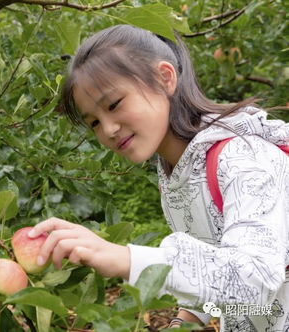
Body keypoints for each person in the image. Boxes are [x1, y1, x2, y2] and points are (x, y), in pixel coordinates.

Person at [26, 24, 289, 331]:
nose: (108, 129)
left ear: (165, 78)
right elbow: (216, 279)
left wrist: (126, 258)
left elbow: (254, 282)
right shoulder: (173, 173)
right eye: (94, 122)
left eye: (114, 104)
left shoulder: (245, 159)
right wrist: (185, 320)